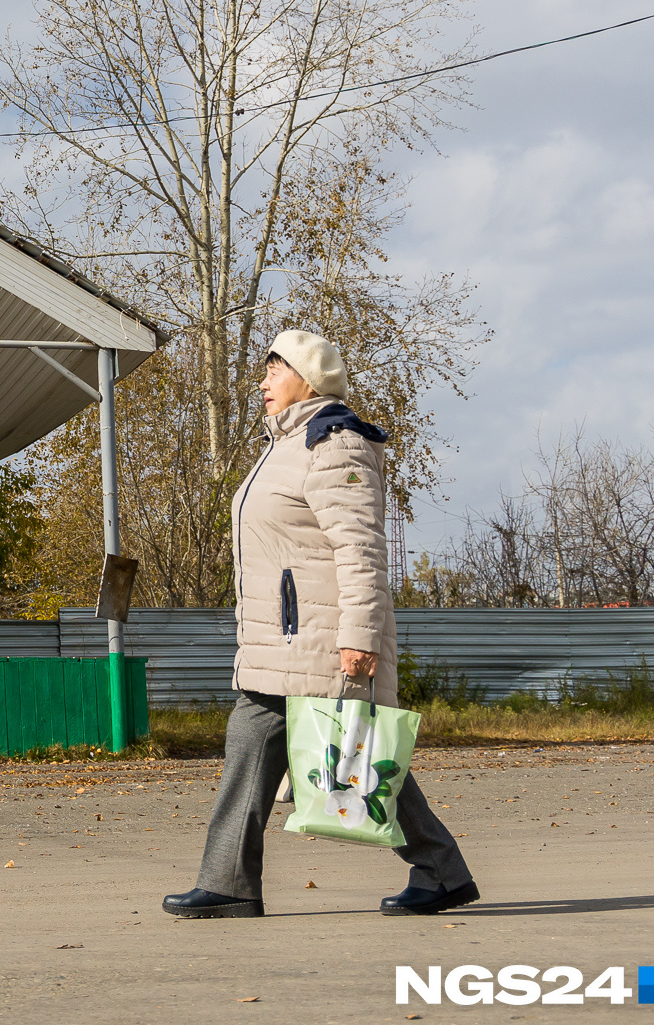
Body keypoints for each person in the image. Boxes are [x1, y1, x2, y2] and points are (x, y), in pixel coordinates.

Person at [161, 329, 479, 919]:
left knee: (354, 754)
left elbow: (360, 551)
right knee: (292, 748)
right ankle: (234, 881)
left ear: (307, 378)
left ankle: (438, 870)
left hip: (317, 640)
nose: (261, 382)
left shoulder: (336, 445)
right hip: (281, 640)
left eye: (273, 370)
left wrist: (359, 636)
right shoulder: (285, 445)